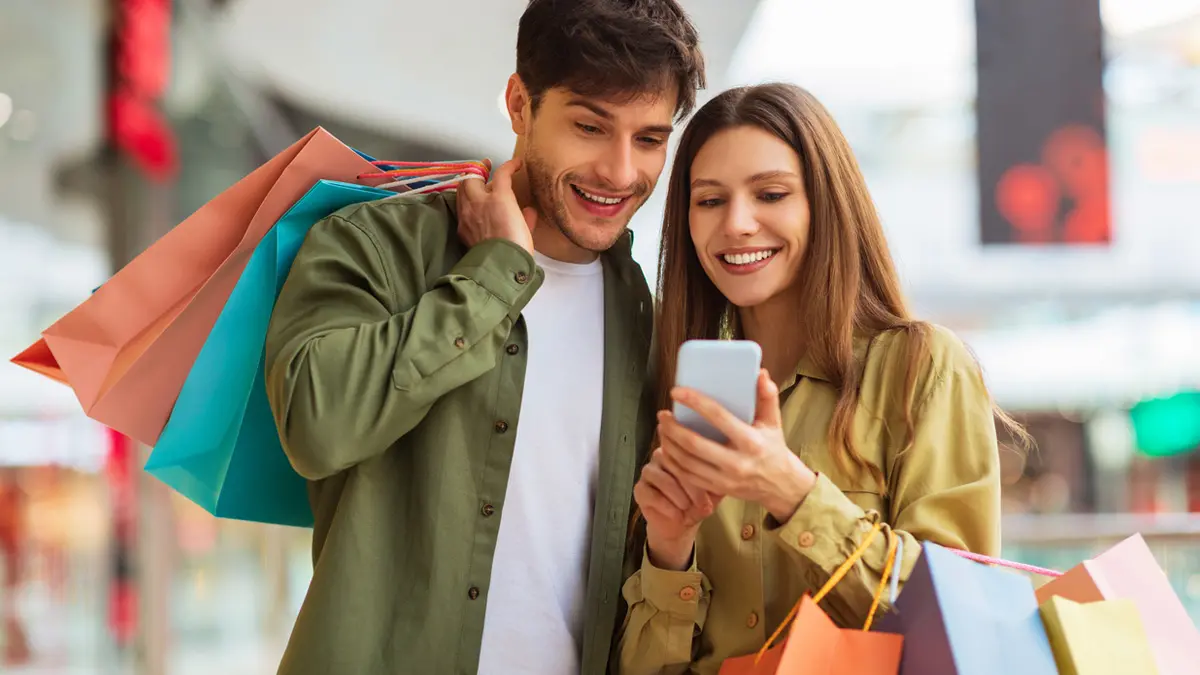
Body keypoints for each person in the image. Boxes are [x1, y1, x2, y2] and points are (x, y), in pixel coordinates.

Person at [263, 1, 705, 673]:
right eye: (590, 125)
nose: (620, 171)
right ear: (520, 104)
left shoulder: (643, 316)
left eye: (648, 139)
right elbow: (317, 422)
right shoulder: (376, 245)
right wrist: (494, 278)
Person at [616, 83, 1028, 674]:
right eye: (709, 201)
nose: (736, 223)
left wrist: (791, 492)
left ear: (825, 205)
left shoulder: (921, 366)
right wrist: (669, 551)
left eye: (771, 193)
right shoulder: (674, 394)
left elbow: (961, 613)